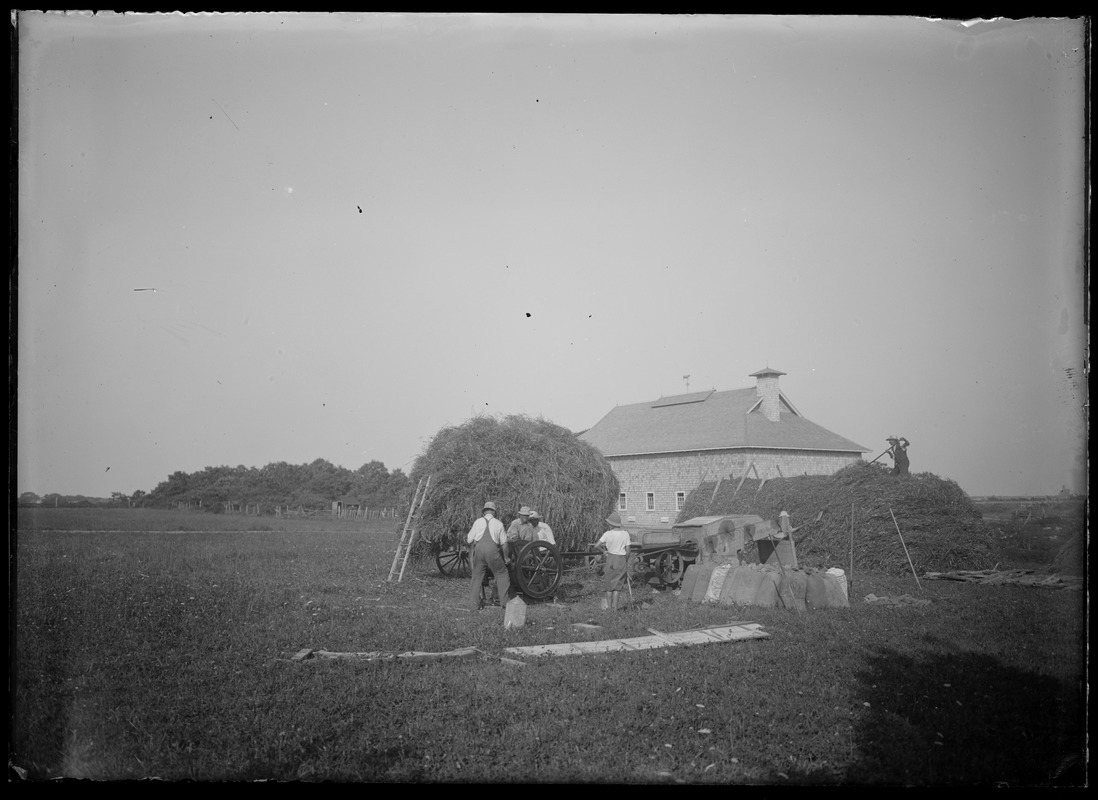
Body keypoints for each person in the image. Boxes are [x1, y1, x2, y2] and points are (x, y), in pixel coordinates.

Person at [467, 501, 511, 612]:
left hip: (479, 550)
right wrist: (506, 558)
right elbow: (504, 543)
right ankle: (505, 603)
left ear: (484, 512)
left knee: (477, 576)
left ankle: (473, 604)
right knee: (502, 574)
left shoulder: (478, 522)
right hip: (492, 550)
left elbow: (469, 539)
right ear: (494, 512)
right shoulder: (498, 523)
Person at [594, 511, 632, 611]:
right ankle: (615, 609)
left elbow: (596, 545)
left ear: (611, 524)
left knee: (609, 585)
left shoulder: (607, 534)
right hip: (621, 560)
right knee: (617, 586)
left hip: (610, 559)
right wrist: (626, 560)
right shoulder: (625, 534)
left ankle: (610, 609)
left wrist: (604, 552)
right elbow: (628, 551)